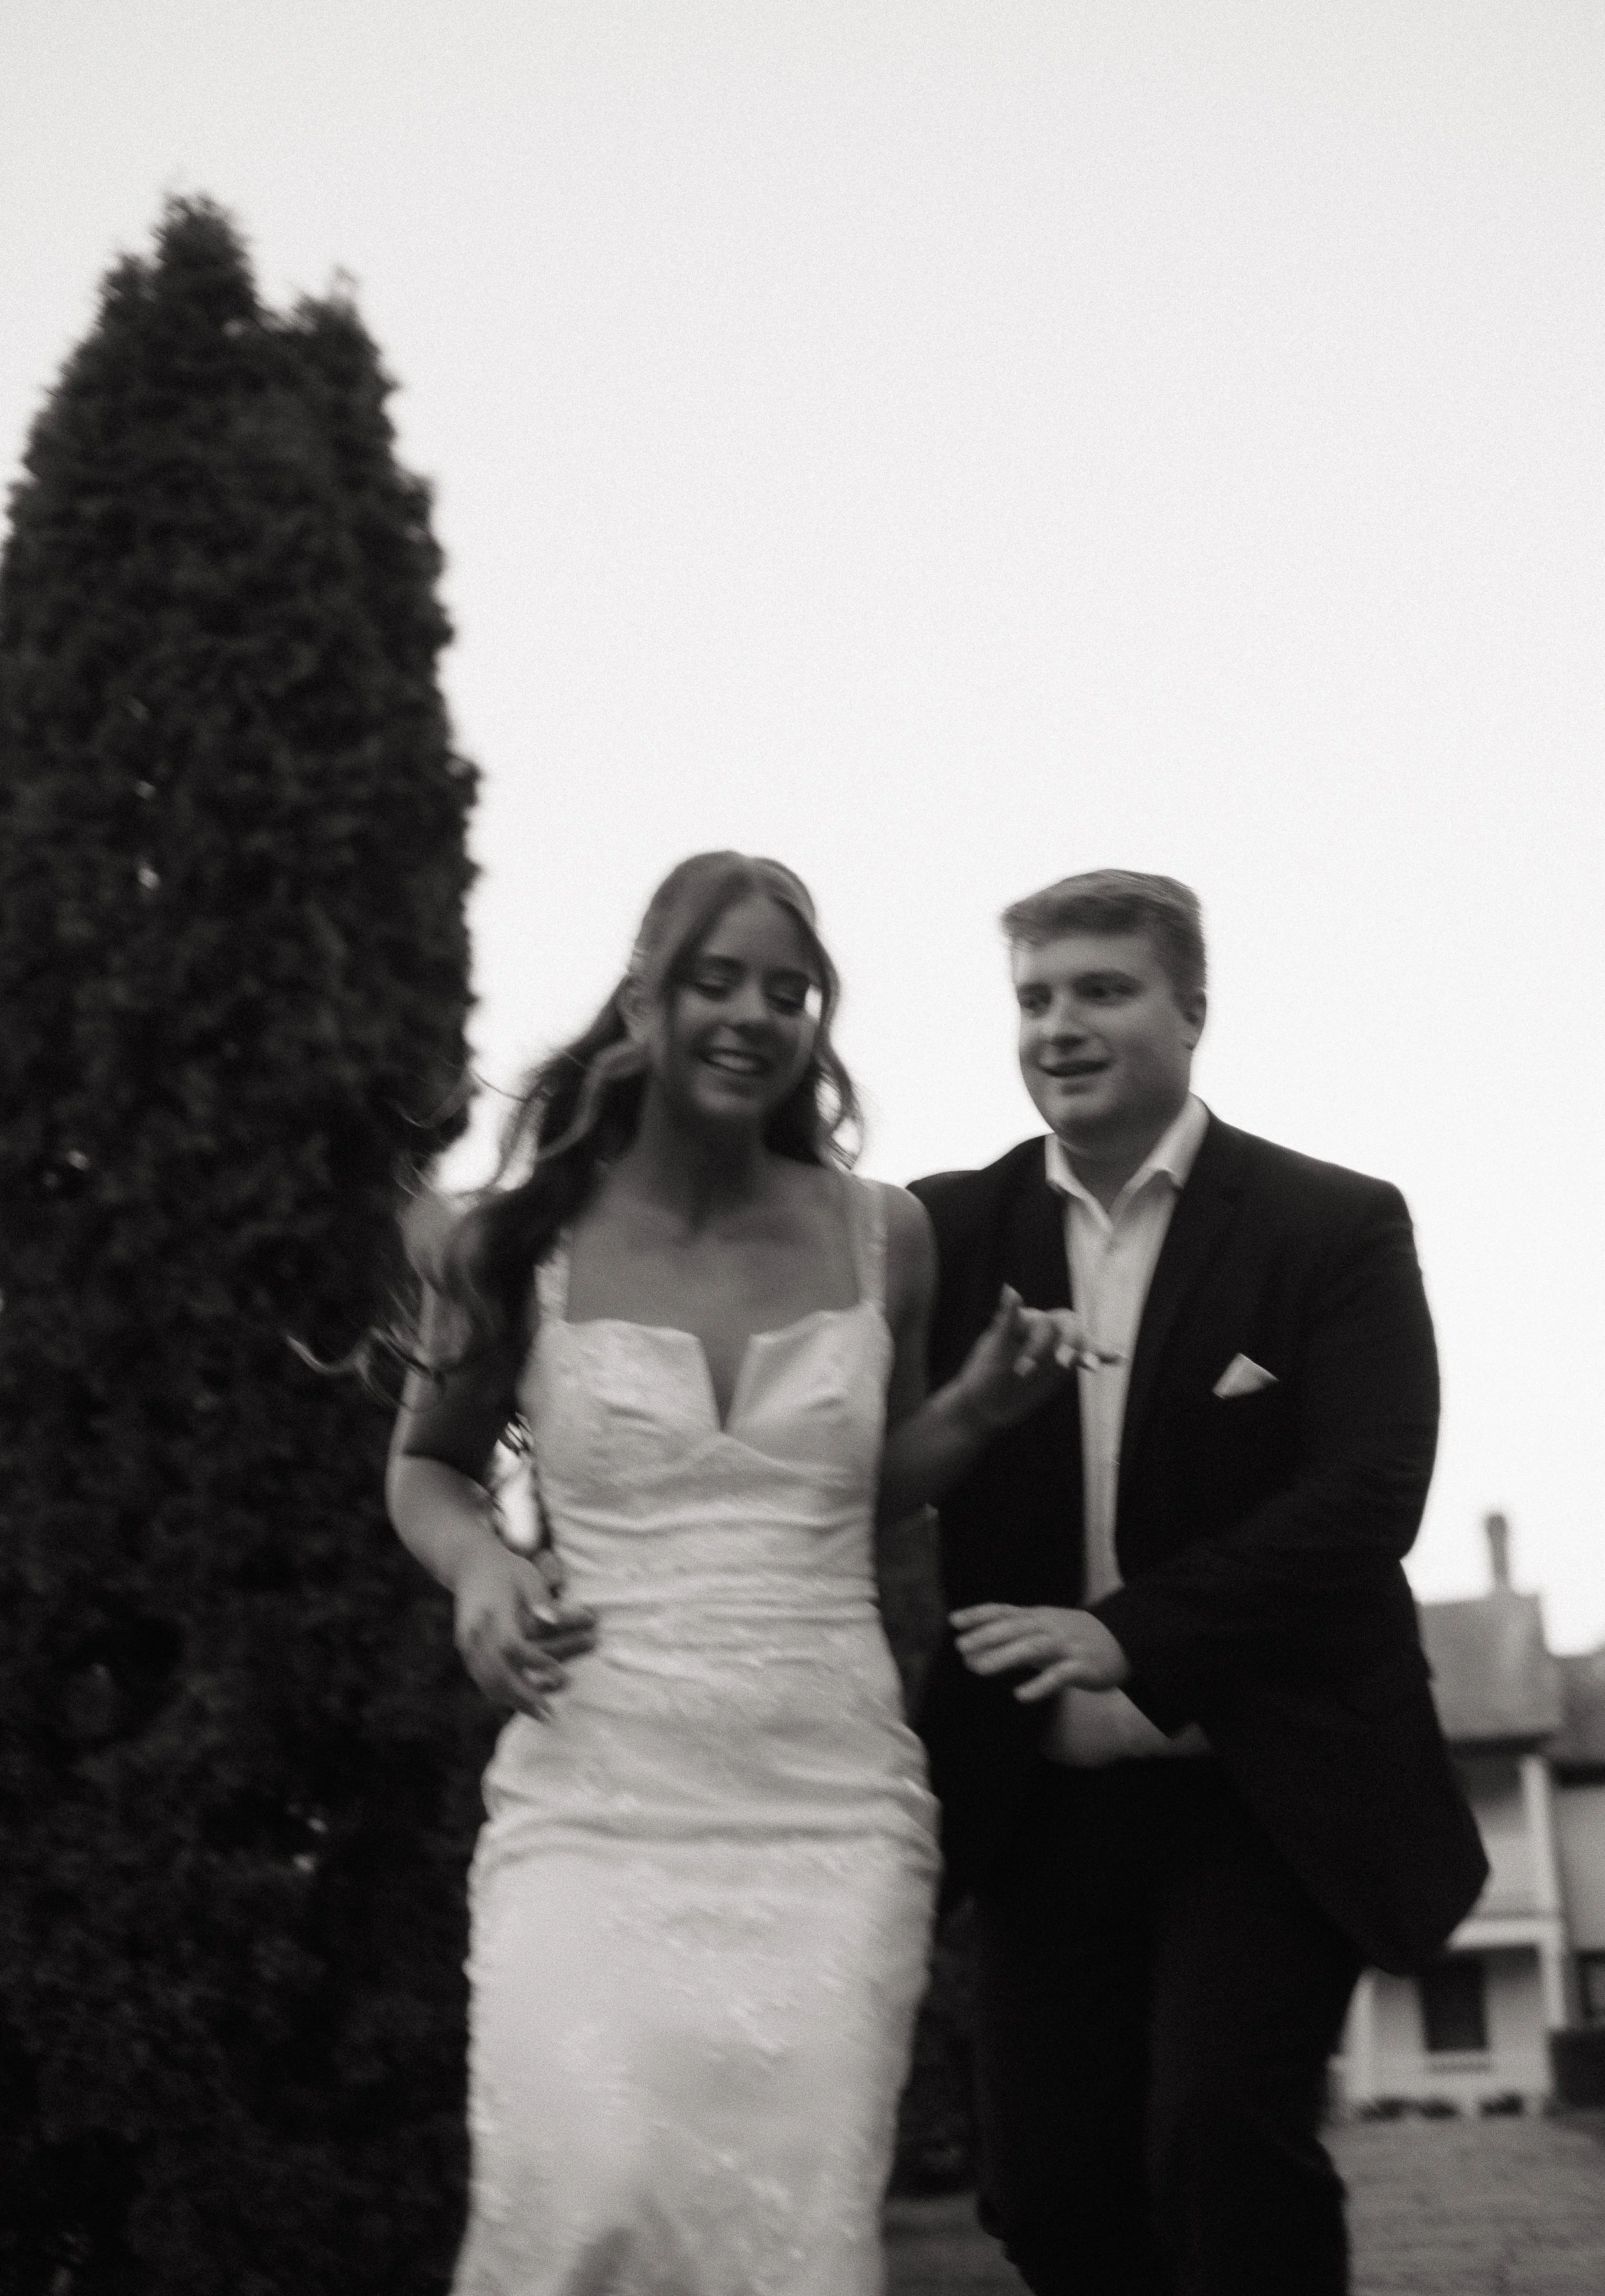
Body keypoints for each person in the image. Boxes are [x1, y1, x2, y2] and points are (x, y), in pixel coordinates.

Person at [386, 851, 1102, 2296]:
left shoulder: (877, 1230)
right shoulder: (511, 1243)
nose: (755, 1014)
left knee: (793, 2239)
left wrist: (969, 1412)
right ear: (643, 1002)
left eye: (791, 990)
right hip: (592, 1800)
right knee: (580, 2191)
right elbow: (428, 1469)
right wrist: (478, 1567)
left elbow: (865, 1494)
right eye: (718, 980)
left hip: (824, 1809)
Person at [912, 868, 1488, 2296]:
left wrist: (1129, 1635)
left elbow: (1368, 1496)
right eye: (1034, 998)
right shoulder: (941, 1235)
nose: (1059, 1026)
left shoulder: (1332, 1226)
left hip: (1263, 1782)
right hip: (1035, 1804)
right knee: (1048, 2195)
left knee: (1220, 2136)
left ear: (1191, 1012)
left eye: (1100, 990)